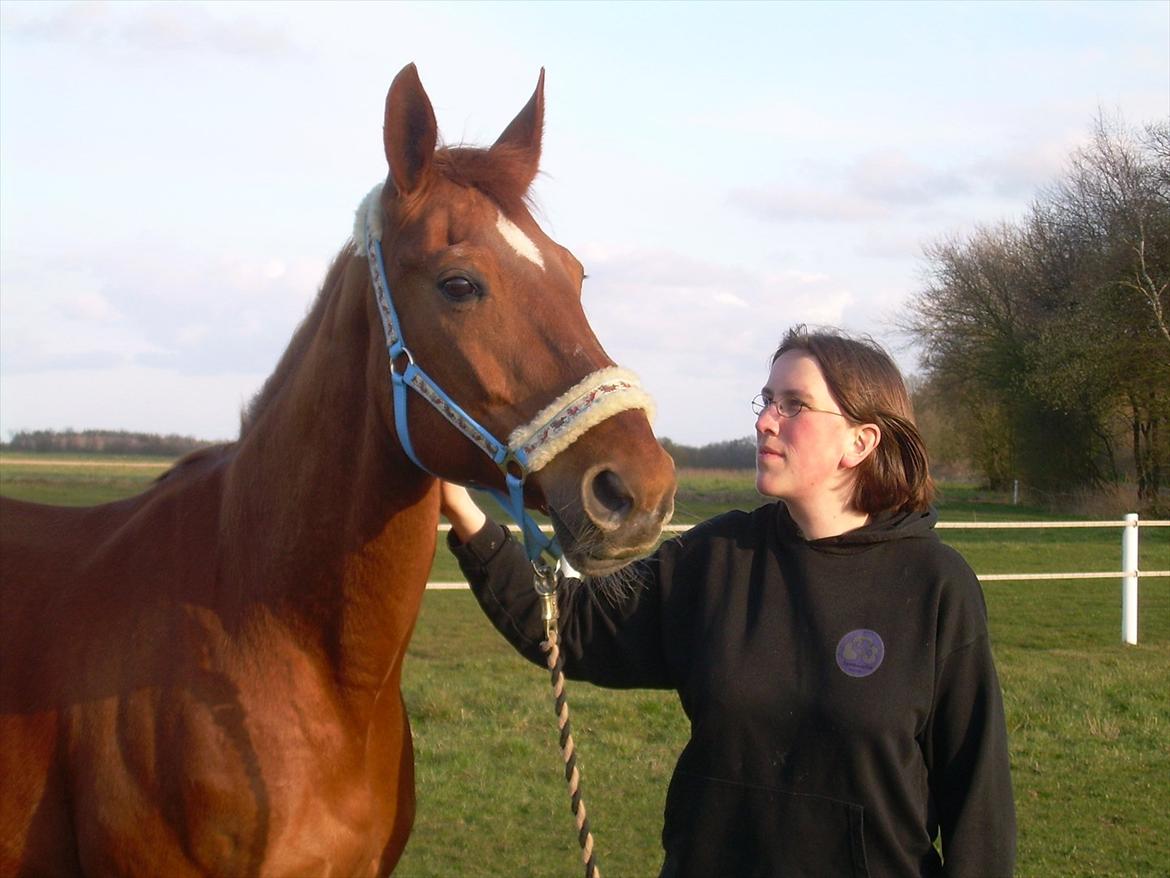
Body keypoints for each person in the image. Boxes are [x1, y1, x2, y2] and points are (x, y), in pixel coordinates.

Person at [441, 326, 1016, 877]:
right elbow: (572, 628)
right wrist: (467, 516)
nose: (766, 421)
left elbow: (978, 806)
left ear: (860, 441)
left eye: (794, 405)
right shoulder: (719, 557)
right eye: (766, 400)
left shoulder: (935, 584)